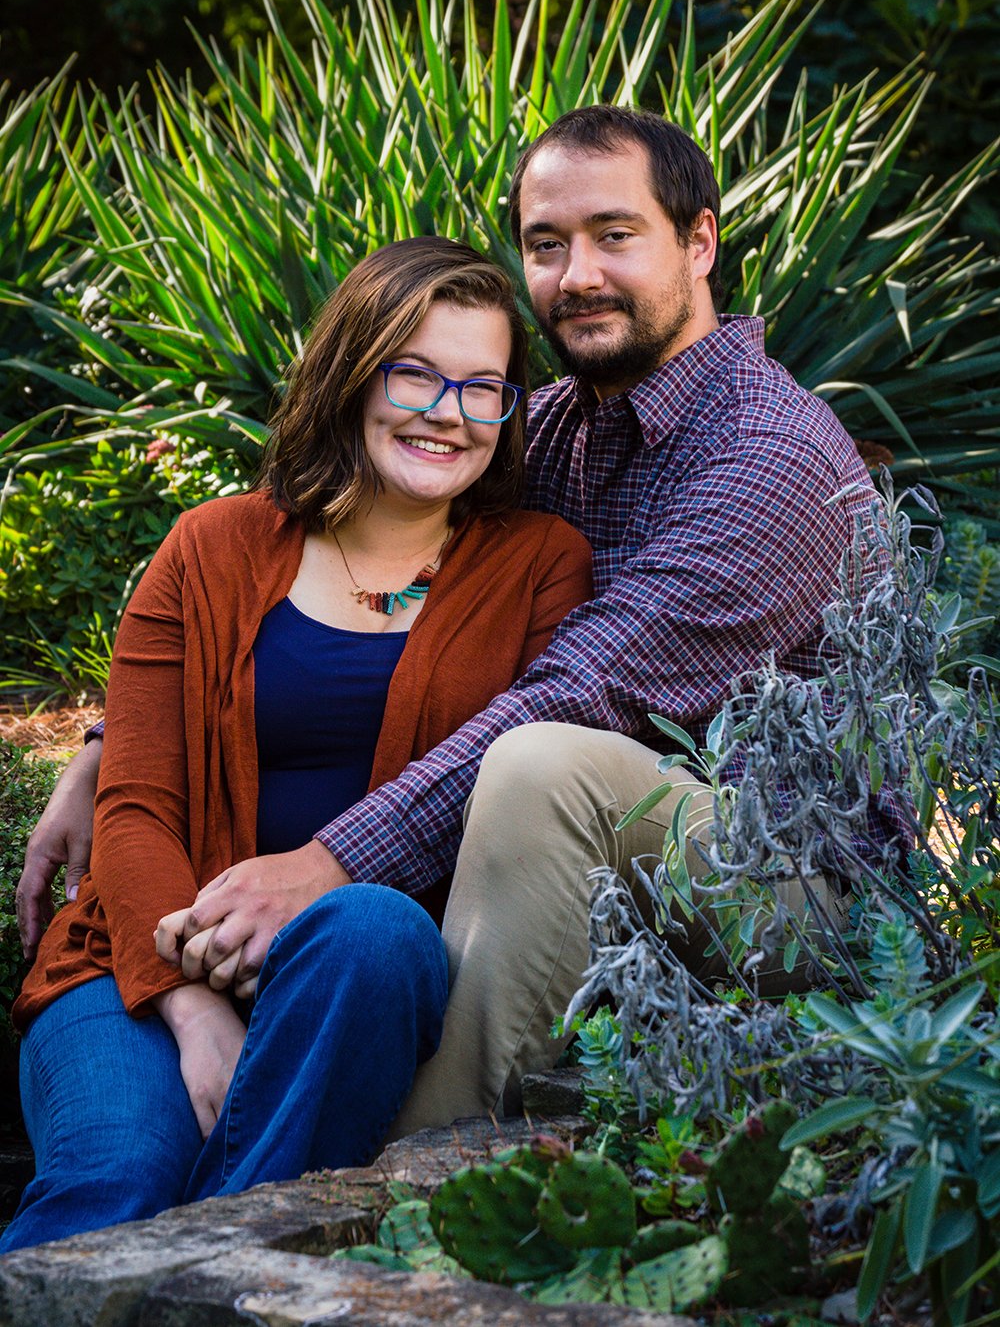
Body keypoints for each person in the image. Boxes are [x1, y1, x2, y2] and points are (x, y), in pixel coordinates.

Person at [16, 105, 899, 1145]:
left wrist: (324, 864)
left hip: (793, 887)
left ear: (698, 242)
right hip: (607, 860)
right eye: (545, 243)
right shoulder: (557, 424)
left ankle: (402, 1178)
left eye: (614, 235)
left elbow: (581, 695)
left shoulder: (768, 457)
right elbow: (353, 569)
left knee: (541, 765)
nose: (576, 275)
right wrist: (120, 743)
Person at [0, 236, 593, 1251]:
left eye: (483, 387)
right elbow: (136, 803)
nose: (449, 413)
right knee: (121, 1176)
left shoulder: (539, 567)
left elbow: (504, 796)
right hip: (140, 970)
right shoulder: (211, 546)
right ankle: (220, 1260)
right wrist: (194, 1010)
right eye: (417, 373)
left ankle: (214, 1265)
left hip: (357, 992)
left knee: (368, 927)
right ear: (352, 373)